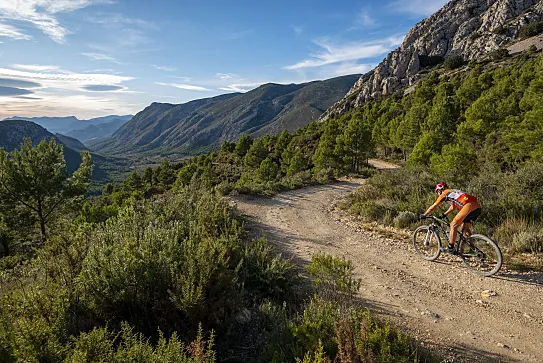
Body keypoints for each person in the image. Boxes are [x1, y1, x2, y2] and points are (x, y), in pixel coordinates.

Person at [421, 183, 481, 253]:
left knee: (453, 225)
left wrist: (424, 215)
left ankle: (451, 247)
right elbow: (453, 207)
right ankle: (473, 249)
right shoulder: (453, 192)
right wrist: (444, 214)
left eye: (437, 192)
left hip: (468, 206)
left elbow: (433, 207)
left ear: (440, 190)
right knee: (465, 228)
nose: (437, 194)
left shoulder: (444, 193)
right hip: (477, 207)